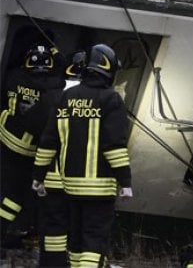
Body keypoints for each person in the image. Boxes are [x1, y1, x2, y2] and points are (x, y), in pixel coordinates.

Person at [32, 43, 132, 268]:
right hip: (100, 188)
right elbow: (114, 145)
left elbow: (48, 141)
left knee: (75, 242)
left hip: (70, 187)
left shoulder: (65, 98)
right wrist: (125, 181)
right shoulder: (111, 99)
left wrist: (38, 175)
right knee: (93, 241)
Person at [0, 44, 65, 250]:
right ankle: (10, 229)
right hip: (30, 150)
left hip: (7, 138)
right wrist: (56, 51)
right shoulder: (53, 87)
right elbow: (62, 76)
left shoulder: (15, 77)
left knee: (8, 189)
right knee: (18, 194)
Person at [36, 51, 88, 267]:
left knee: (51, 225)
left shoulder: (52, 96)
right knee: (75, 226)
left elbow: (39, 133)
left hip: (51, 174)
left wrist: (37, 175)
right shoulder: (96, 102)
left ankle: (49, 263)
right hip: (82, 180)